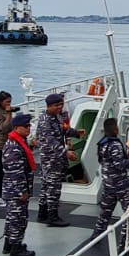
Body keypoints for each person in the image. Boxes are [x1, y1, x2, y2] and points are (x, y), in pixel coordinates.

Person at [35, 93, 84, 227]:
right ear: (49, 106)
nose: (60, 107)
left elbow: (64, 130)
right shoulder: (45, 121)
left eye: (61, 104)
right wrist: (66, 153)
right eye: (57, 105)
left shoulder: (56, 117)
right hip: (51, 159)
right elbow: (51, 141)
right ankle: (53, 216)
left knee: (46, 186)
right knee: (53, 188)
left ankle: (42, 214)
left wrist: (76, 133)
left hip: (56, 158)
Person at [92, 117, 129, 243]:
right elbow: (119, 165)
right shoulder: (115, 145)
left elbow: (106, 161)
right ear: (114, 129)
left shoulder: (102, 143)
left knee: (105, 213)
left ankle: (96, 236)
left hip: (108, 185)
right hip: (120, 185)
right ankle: (125, 243)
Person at [1, 113, 37, 256]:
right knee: (18, 219)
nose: (29, 128)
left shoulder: (19, 142)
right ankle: (16, 249)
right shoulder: (13, 147)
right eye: (26, 126)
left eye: (29, 125)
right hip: (15, 191)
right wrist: (22, 191)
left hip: (13, 189)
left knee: (12, 218)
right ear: (16, 128)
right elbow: (15, 171)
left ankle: (9, 244)